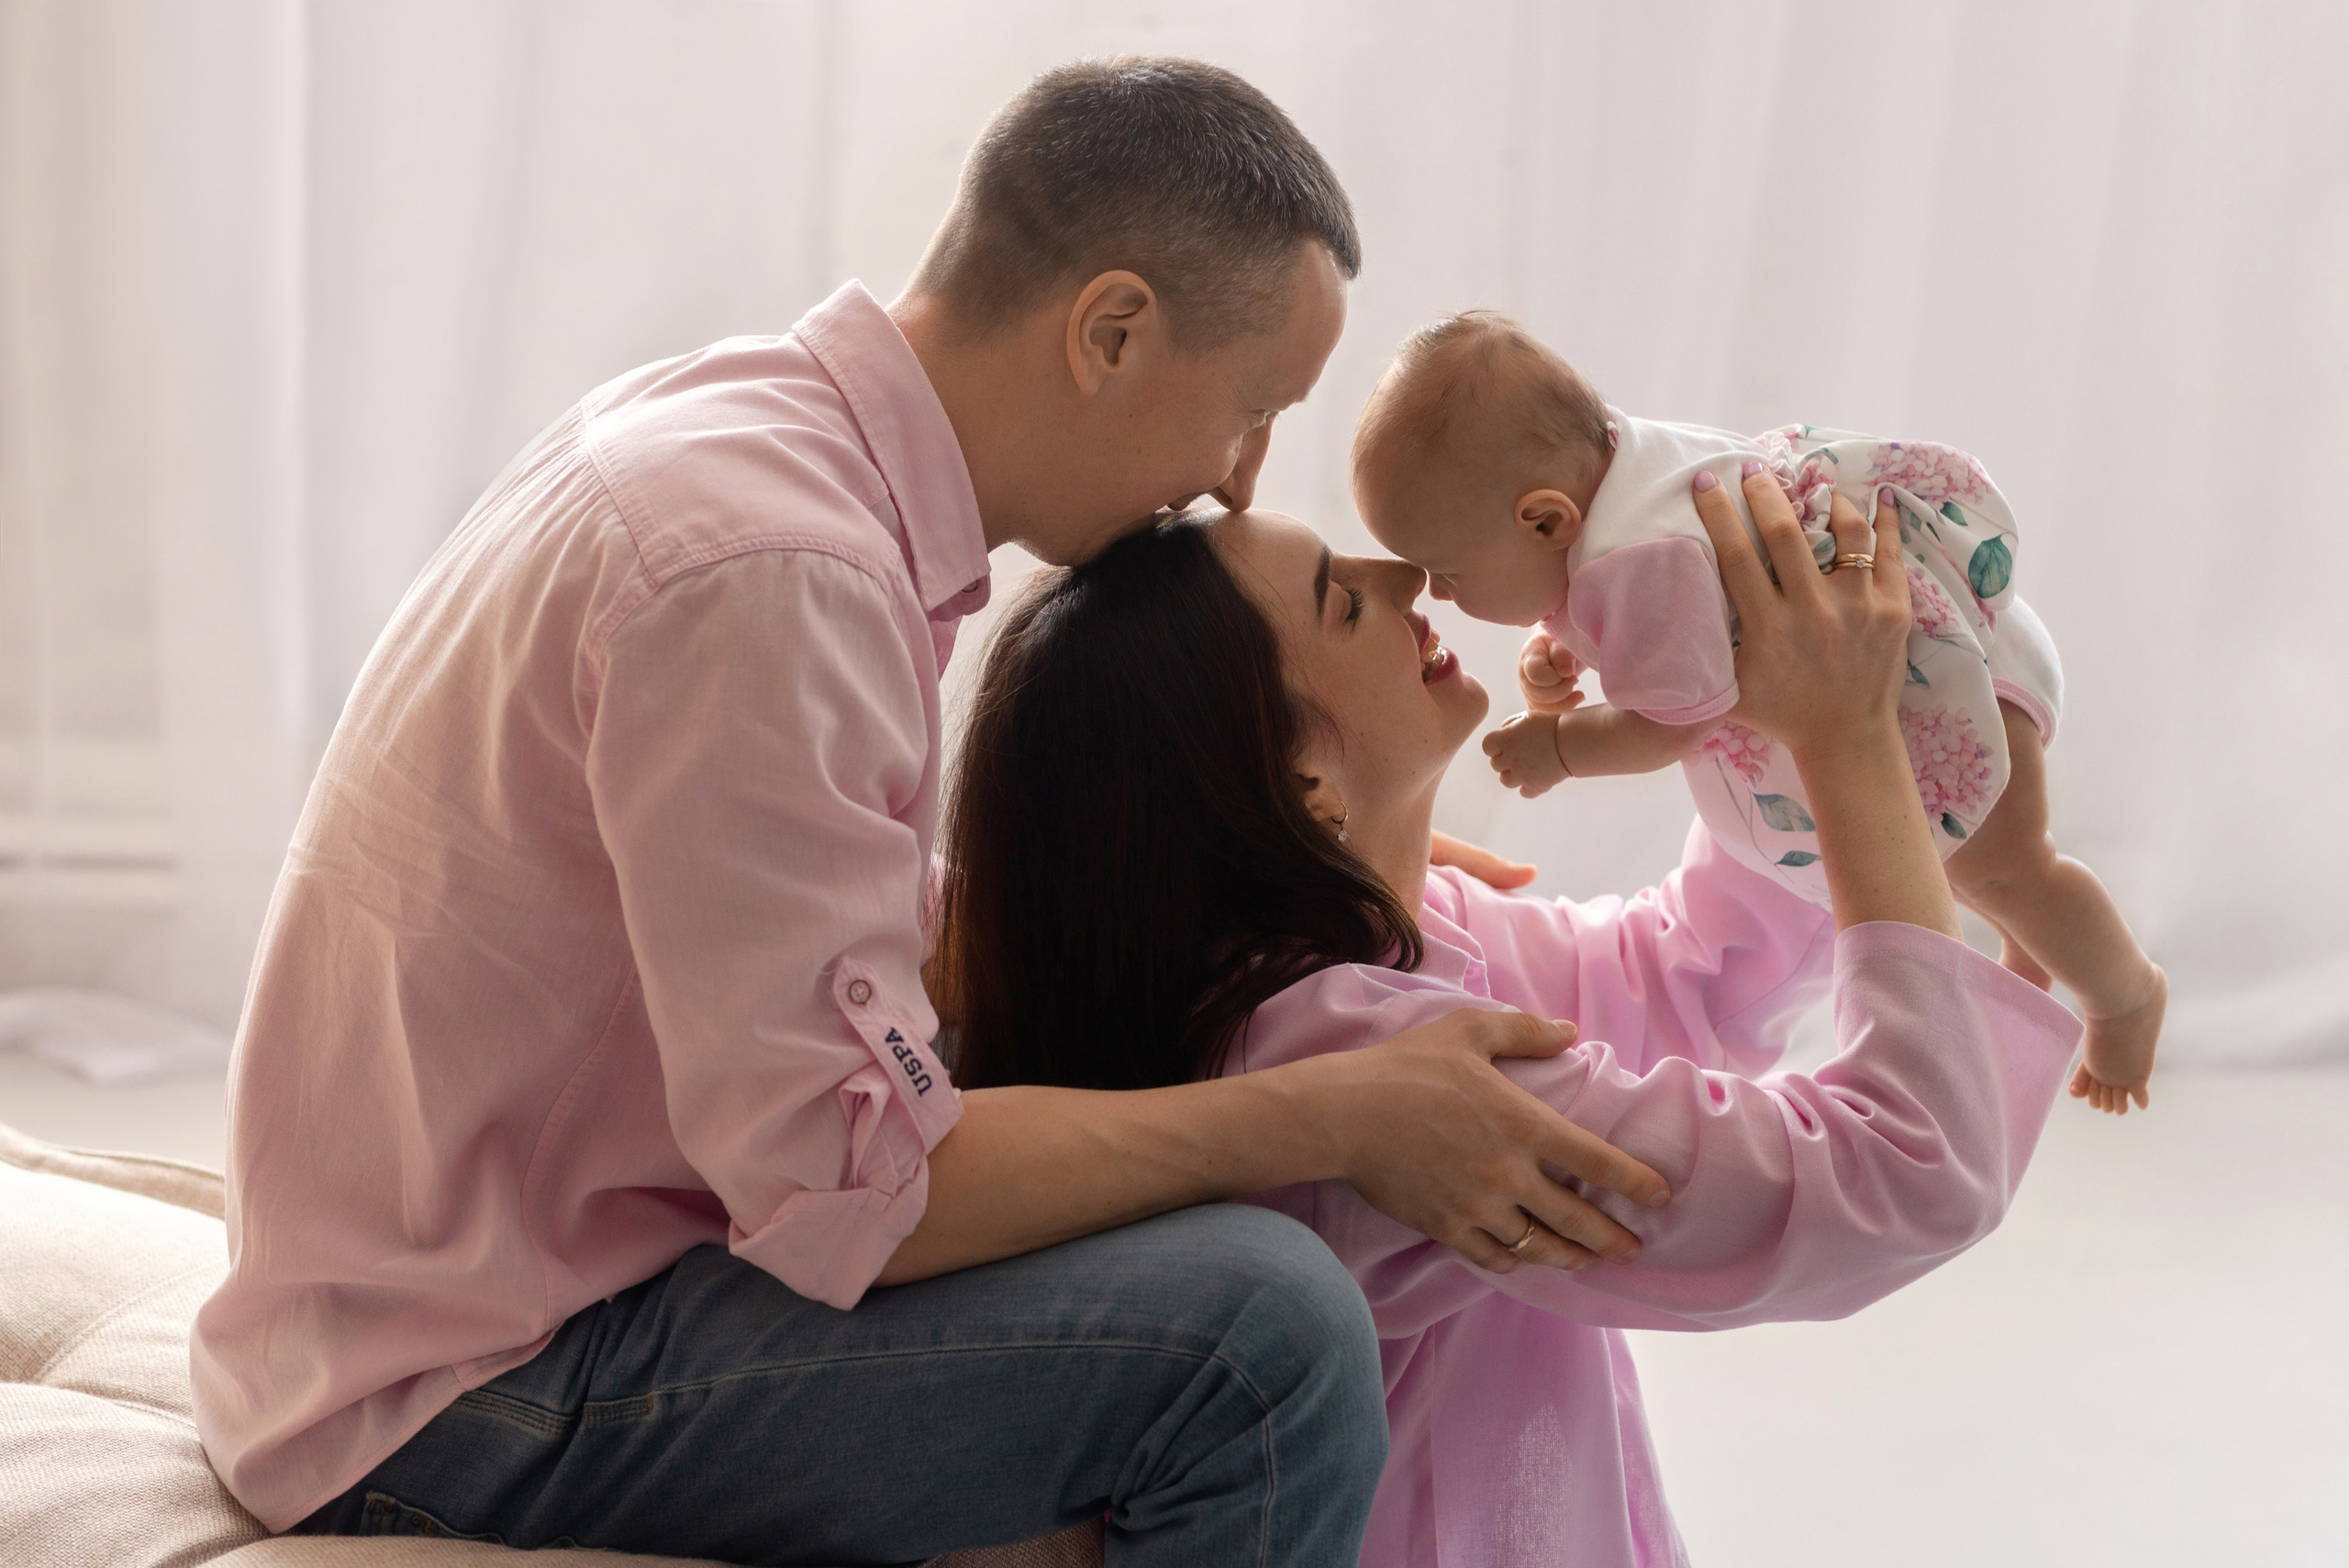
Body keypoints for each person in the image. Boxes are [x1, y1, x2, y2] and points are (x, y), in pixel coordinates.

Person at [193, 60, 1668, 1564]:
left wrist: (1266, 874)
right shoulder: (776, 575)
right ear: (1110, 329)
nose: (1237, 485)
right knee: (1262, 1330)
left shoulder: (749, 436)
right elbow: (853, 1192)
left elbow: (800, 908)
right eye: (1250, 411)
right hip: (468, 1383)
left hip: (434, 1288)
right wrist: (1334, 1106)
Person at [929, 469, 2085, 1567]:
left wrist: (1749, 713)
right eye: (1344, 599)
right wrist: (1849, 743)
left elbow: (1681, 971)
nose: (1405, 576)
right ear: (1298, 787)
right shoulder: (1354, 1055)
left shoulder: (1382, 935)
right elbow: (1903, 1169)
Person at [1349, 309, 2164, 1112]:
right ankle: (2035, 936)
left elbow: (1673, 723)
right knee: (1978, 866)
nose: (1437, 593)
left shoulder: (1636, 558)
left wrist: (1560, 746)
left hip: (1944, 687)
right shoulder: (1616, 465)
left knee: (2006, 866)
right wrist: (1560, 653)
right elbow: (1645, 619)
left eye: (1446, 570)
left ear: (1545, 518)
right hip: (1930, 650)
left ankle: (2125, 997)